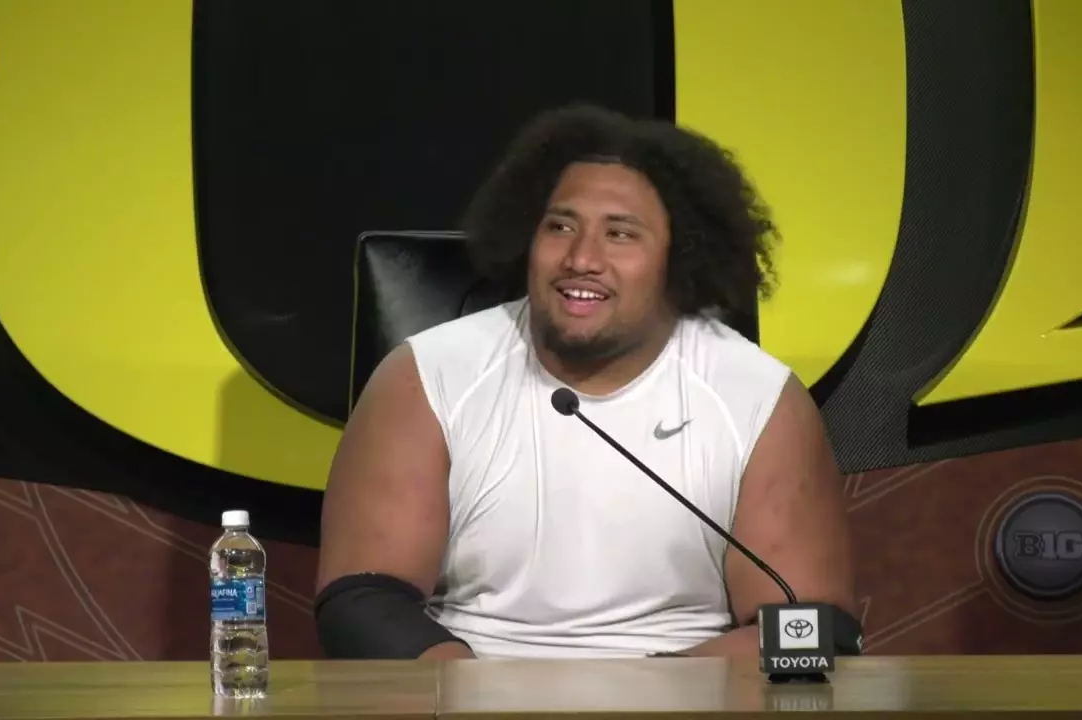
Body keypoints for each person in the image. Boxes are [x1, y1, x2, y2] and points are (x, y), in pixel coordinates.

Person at [314, 104, 857, 660]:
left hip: (689, 688)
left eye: (620, 234)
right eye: (560, 227)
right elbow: (364, 603)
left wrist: (646, 694)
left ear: (679, 259)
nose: (581, 258)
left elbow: (811, 626)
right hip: (467, 681)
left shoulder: (757, 398)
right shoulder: (427, 376)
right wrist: (474, 694)